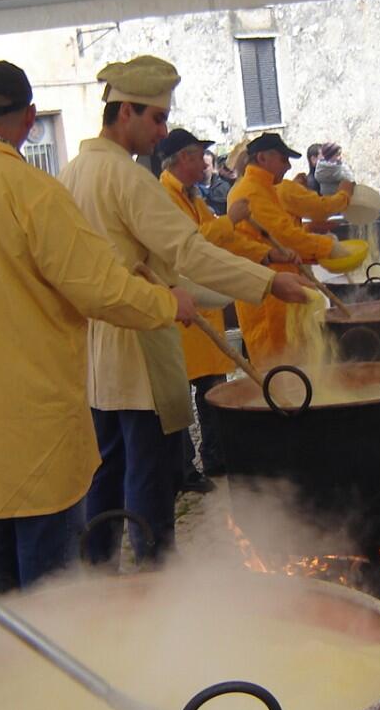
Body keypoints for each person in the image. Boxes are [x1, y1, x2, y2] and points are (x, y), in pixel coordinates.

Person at [0, 60, 192, 592]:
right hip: (37, 415)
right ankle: (53, 671)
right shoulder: (32, 190)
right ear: (30, 118)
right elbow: (100, 288)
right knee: (51, 582)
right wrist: (167, 304)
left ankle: (5, 670)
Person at [58, 56, 309, 567]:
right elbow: (189, 253)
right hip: (139, 349)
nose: (163, 131)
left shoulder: (71, 172)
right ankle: (158, 578)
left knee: (107, 469)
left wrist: (244, 285)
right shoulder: (127, 180)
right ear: (123, 111)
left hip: (96, 356)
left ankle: (97, 571)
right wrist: (267, 282)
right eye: (155, 118)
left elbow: (169, 268)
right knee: (148, 472)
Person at [157, 128, 274, 490]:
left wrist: (266, 254)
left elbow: (221, 239)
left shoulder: (193, 196)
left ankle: (215, 457)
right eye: (199, 155)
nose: (206, 162)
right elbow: (191, 246)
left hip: (204, 305)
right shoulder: (164, 196)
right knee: (178, 397)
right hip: (182, 308)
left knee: (213, 389)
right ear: (182, 159)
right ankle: (183, 471)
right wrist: (231, 219)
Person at [232, 132, 351, 366]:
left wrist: (314, 248)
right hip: (268, 297)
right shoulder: (251, 191)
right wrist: (329, 247)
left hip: (283, 287)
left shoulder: (265, 187)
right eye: (283, 160)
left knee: (297, 366)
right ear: (263, 158)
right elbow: (284, 235)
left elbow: (281, 235)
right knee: (279, 369)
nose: (288, 166)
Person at [201, 149, 233, 216]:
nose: (202, 168)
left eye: (206, 166)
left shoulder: (225, 187)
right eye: (199, 164)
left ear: (213, 167)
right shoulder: (188, 188)